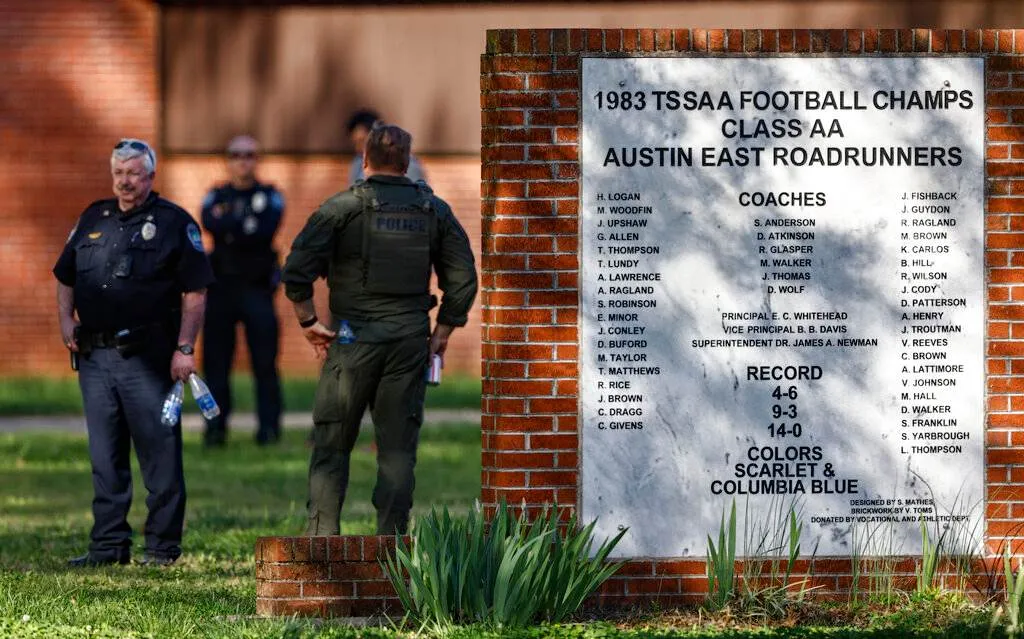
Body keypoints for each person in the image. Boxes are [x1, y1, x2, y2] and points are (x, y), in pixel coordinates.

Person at [282, 122, 477, 535]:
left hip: (351, 343)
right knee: (397, 450)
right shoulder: (433, 210)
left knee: (332, 443)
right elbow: (463, 279)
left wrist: (309, 322)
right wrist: (441, 334)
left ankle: (322, 543)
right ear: (407, 163)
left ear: (365, 159)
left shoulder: (340, 208)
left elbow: (296, 270)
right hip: (409, 344)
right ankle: (392, 544)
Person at [53, 138, 214, 566]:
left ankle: (161, 547)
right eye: (119, 173)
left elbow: (195, 291)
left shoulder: (173, 223)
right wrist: (66, 320)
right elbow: (65, 274)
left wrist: (185, 348)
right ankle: (108, 545)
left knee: (159, 454)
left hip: (148, 357)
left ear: (151, 176)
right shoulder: (94, 217)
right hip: (95, 358)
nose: (125, 181)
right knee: (104, 457)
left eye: (134, 173)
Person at [199, 135, 285, 447]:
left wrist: (232, 225)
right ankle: (215, 429)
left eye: (249, 155)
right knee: (216, 363)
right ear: (228, 160)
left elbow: (265, 229)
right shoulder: (215, 195)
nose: (242, 161)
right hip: (221, 288)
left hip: (256, 288)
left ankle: (269, 430)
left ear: (256, 160)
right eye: (236, 155)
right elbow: (210, 223)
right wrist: (244, 225)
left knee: (265, 362)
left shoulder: (271, 195)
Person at [346, 109, 427, 186]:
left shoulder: (407, 163)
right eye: (355, 143)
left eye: (362, 141)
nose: (358, 148)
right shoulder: (357, 162)